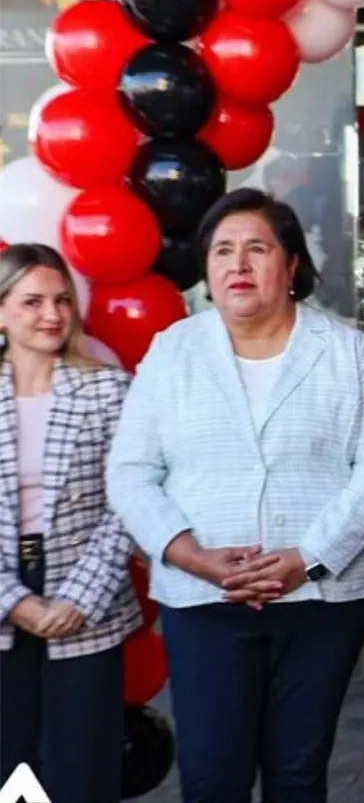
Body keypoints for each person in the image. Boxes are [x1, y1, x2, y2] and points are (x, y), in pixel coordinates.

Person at [106, 188, 364, 803]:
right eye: (222, 251)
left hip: (322, 598)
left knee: (298, 773)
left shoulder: (344, 350)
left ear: (291, 265)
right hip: (203, 597)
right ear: (208, 271)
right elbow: (131, 471)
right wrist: (191, 555)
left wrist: (307, 556)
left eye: (257, 248)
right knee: (215, 777)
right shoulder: (173, 351)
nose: (238, 264)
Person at [0, 244, 140, 802]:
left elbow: (129, 501)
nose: (52, 314)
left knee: (81, 768)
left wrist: (80, 597)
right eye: (32, 301)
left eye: (61, 300)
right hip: (7, 596)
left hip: (87, 604)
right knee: (11, 770)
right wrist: (13, 599)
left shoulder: (108, 389)